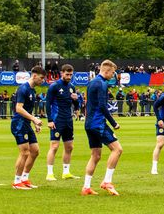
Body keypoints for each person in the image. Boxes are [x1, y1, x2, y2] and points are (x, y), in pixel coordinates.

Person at [81, 59, 123, 196]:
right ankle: (107, 181)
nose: (113, 76)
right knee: (117, 149)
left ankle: (86, 187)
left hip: (89, 123)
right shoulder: (102, 83)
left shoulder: (92, 82)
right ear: (106, 71)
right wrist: (114, 122)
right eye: (112, 72)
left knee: (96, 155)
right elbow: (102, 106)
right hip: (98, 123)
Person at [10, 65, 47, 190]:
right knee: (24, 152)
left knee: (35, 151)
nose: (43, 81)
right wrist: (34, 119)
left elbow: (27, 110)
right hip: (19, 123)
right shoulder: (23, 89)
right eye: (41, 78)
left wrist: (34, 122)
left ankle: (24, 178)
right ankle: (16, 181)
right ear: (34, 75)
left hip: (26, 123)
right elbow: (19, 108)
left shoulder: (32, 90)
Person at [46, 64, 80, 181]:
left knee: (69, 147)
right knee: (54, 146)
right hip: (57, 120)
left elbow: (75, 104)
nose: (69, 76)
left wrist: (76, 101)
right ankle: (50, 173)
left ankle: (66, 172)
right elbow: (48, 103)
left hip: (68, 120)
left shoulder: (72, 87)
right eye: (67, 74)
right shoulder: (54, 86)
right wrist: (50, 120)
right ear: (62, 73)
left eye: (71, 74)